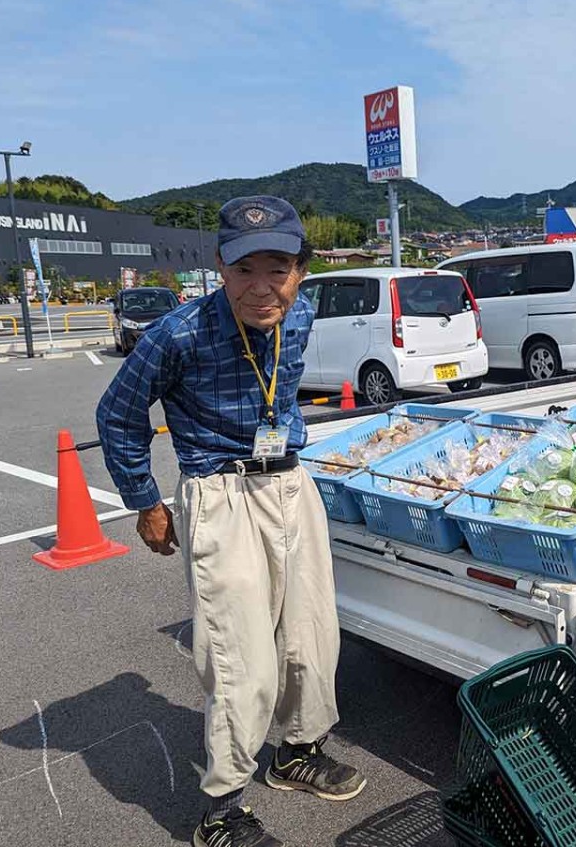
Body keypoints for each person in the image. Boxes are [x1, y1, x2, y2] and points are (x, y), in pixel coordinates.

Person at [97, 196, 365, 847]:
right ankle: (222, 809)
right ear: (220, 265)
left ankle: (297, 751)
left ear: (301, 270)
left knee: (311, 637)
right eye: (245, 268)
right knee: (241, 657)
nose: (261, 286)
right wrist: (147, 501)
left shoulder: (298, 315)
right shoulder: (178, 332)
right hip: (221, 495)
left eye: (278, 266)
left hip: (292, 484)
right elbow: (118, 412)